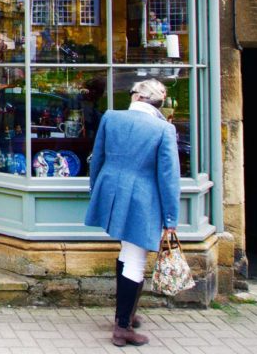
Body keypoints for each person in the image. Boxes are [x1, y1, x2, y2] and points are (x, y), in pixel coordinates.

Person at [84, 78, 180, 348]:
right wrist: (171, 219)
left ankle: (126, 314)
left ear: (139, 97)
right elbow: (168, 177)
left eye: (133, 92)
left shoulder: (111, 118)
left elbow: (98, 157)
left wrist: (97, 189)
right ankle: (122, 326)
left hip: (112, 190)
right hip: (142, 198)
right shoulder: (163, 129)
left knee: (127, 252)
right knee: (136, 258)